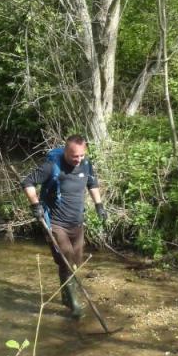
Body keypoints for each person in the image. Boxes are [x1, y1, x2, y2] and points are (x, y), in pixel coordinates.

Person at [21, 135, 107, 318]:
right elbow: (27, 182)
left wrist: (99, 205)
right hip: (55, 223)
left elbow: (92, 183)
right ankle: (74, 304)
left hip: (77, 223)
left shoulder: (86, 164)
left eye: (81, 155)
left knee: (76, 262)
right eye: (75, 156)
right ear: (66, 151)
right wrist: (35, 205)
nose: (78, 160)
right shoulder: (52, 166)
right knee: (66, 260)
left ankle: (66, 297)